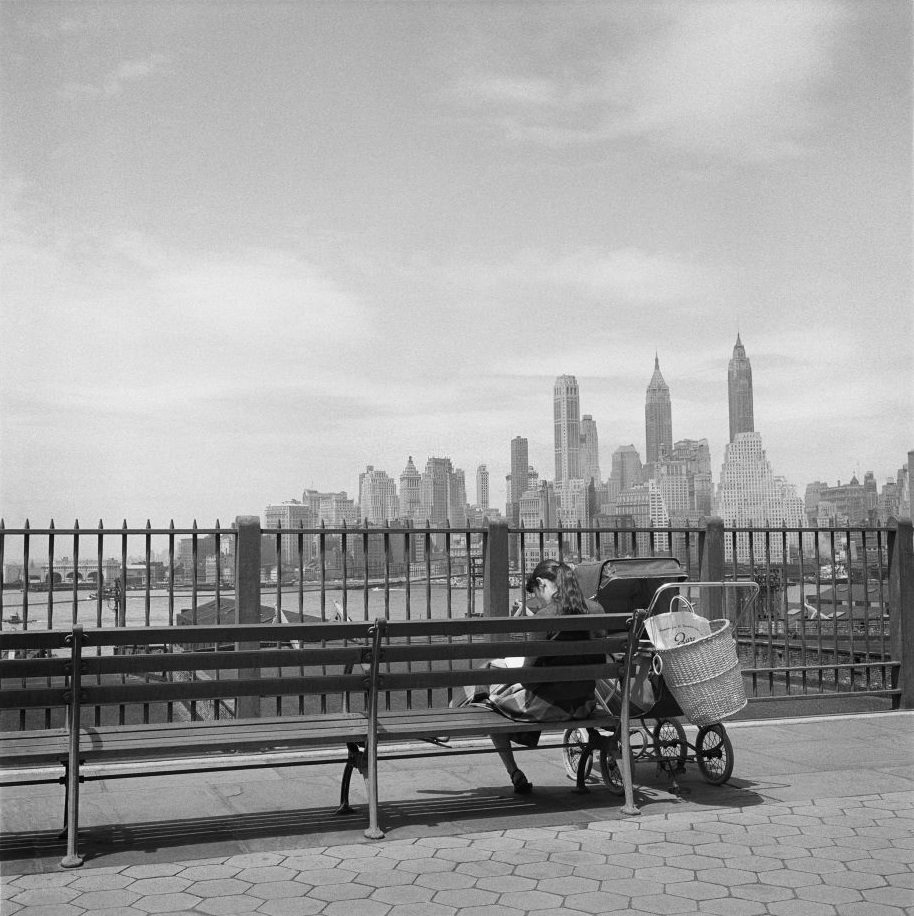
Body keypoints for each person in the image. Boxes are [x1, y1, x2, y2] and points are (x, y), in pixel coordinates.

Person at [488, 559, 602, 795]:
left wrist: (509, 670)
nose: (538, 600)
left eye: (535, 593)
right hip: (584, 704)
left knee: (487, 701)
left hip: (547, 708)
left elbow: (528, 678)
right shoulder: (597, 610)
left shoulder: (545, 616)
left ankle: (514, 772)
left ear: (541, 583)